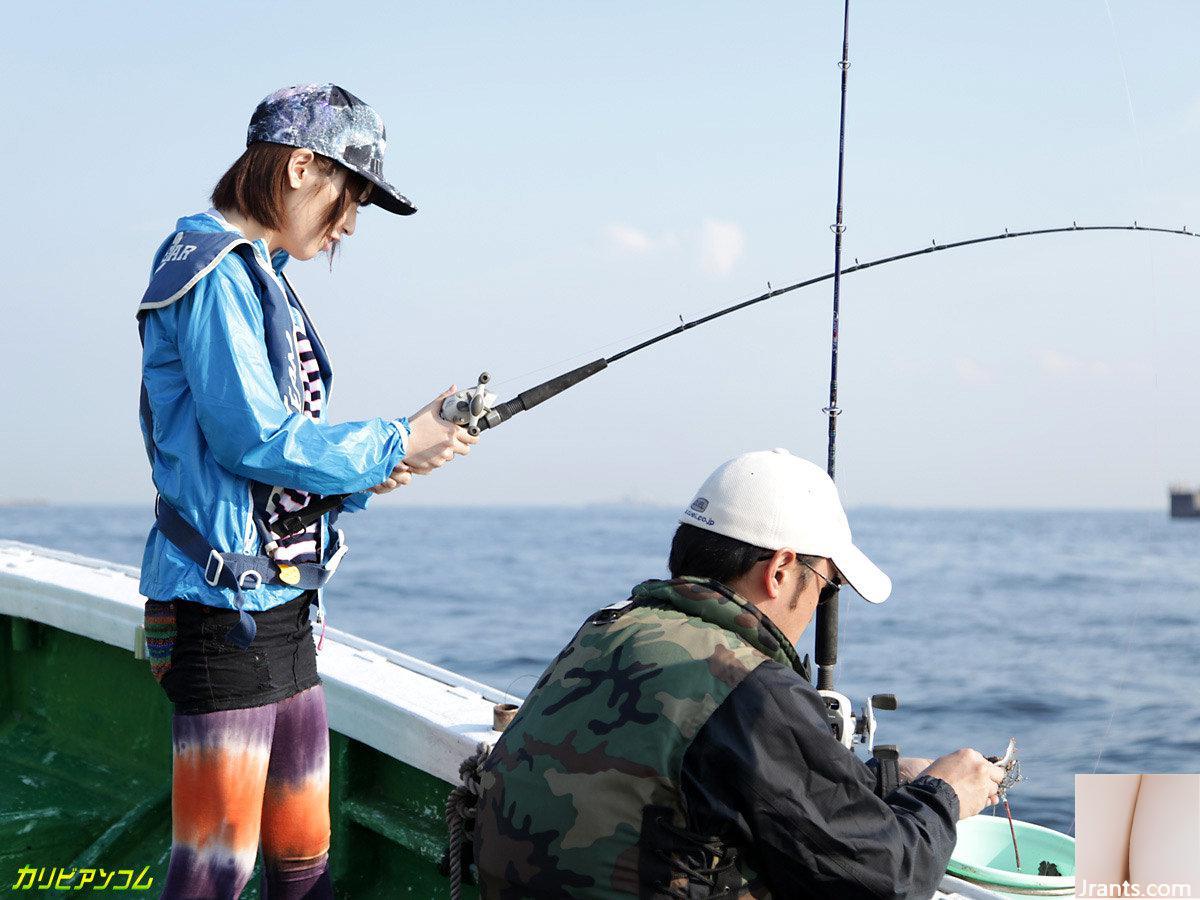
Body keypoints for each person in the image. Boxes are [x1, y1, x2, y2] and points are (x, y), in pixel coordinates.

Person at [136, 83, 476, 898]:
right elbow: (251, 437)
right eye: (347, 196)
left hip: (283, 611)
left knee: (302, 856)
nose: (349, 224)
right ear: (299, 167)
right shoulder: (213, 269)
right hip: (222, 616)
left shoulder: (260, 274)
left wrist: (376, 472)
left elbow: (265, 462)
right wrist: (395, 437)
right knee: (214, 871)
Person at [471, 449, 1004, 899]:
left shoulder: (609, 626)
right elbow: (884, 877)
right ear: (778, 571)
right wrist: (943, 791)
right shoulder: (750, 686)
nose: (819, 605)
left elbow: (706, 767)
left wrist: (886, 781)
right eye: (825, 587)